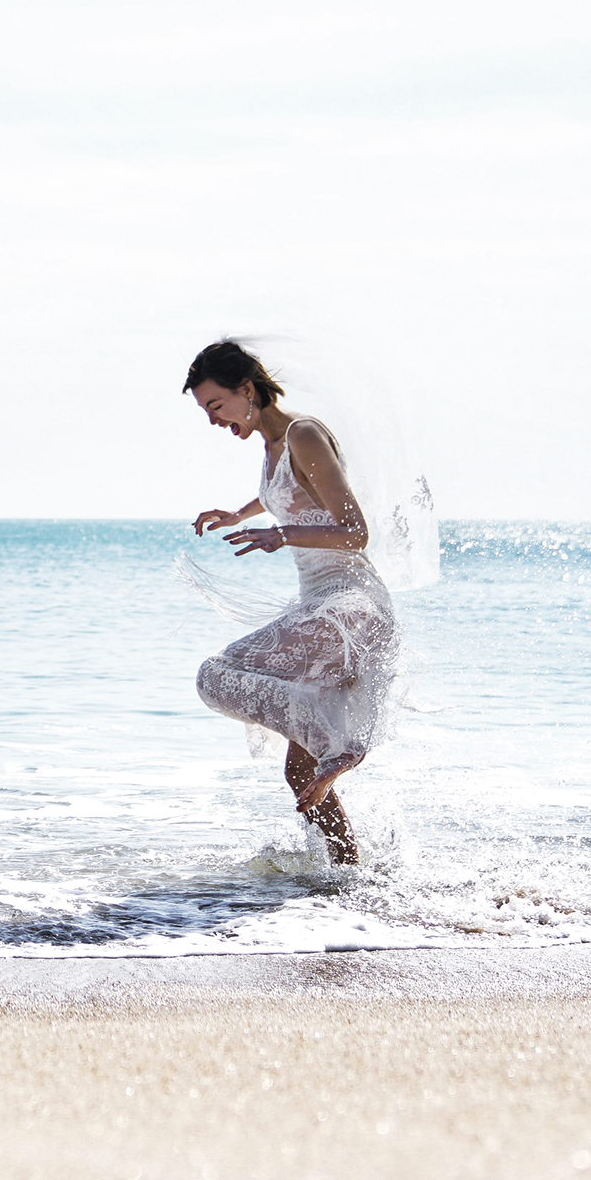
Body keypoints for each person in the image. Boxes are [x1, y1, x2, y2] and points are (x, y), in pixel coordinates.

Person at [184, 337, 400, 865]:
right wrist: (239, 515)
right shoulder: (274, 442)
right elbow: (292, 490)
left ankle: (344, 746)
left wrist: (281, 536)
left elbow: (354, 532)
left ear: (246, 389)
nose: (213, 420)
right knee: (298, 773)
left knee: (215, 674)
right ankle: (348, 877)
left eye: (216, 405)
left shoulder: (303, 432)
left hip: (348, 605)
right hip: (320, 605)